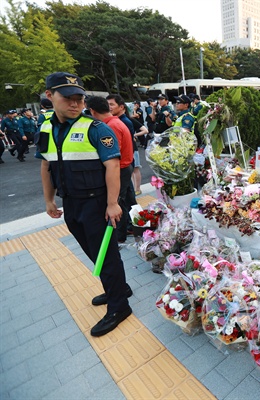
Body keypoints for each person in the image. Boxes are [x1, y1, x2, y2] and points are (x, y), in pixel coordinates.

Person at [36, 71, 132, 337]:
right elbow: (46, 166)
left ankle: (119, 306)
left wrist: (112, 203)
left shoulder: (95, 128)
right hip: (72, 204)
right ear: (49, 96)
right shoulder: (46, 128)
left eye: (79, 98)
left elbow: (112, 166)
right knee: (93, 253)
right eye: (68, 98)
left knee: (107, 256)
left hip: (98, 204)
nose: (75, 104)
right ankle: (119, 288)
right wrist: (48, 200)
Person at [86, 96, 134, 244]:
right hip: (125, 167)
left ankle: (119, 235)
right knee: (124, 200)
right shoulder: (115, 122)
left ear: (92, 111)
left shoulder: (109, 126)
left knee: (116, 202)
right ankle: (128, 228)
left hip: (120, 169)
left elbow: (113, 156)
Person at [106, 94, 139, 233]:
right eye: (107, 104)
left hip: (123, 165)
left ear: (121, 107)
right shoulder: (120, 121)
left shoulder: (119, 123)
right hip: (127, 163)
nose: (109, 107)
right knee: (130, 197)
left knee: (121, 200)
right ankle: (135, 223)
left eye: (112, 104)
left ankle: (123, 230)